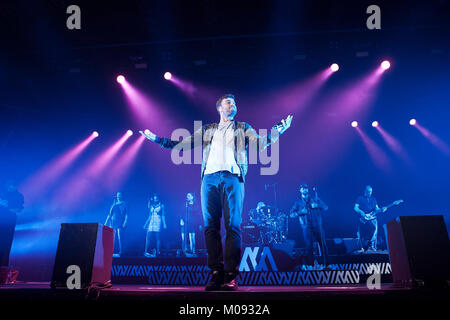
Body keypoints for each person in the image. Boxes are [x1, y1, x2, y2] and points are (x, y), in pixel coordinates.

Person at [140, 93, 292, 290]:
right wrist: (157, 139)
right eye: (229, 103)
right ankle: (215, 273)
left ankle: (231, 275)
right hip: (209, 180)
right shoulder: (208, 130)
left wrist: (278, 130)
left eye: (235, 103)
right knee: (210, 227)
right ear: (219, 108)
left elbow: (260, 144)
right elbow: (183, 145)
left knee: (233, 226)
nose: (233, 105)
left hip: (232, 178)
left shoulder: (243, 128)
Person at [290, 184, 329, 268]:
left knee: (323, 244)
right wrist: (300, 212)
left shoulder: (315, 199)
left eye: (306, 188)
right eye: (302, 188)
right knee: (309, 246)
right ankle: (310, 266)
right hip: (306, 227)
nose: (304, 189)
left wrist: (317, 205)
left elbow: (326, 207)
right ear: (300, 190)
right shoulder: (298, 203)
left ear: (308, 190)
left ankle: (327, 265)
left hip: (318, 225)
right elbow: (291, 214)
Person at [354, 185, 386, 252]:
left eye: (371, 192)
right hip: (363, 217)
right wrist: (360, 211)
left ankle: (371, 246)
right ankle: (361, 248)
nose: (370, 193)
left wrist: (381, 209)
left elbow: (377, 208)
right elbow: (355, 208)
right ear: (364, 191)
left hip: (372, 217)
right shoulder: (360, 198)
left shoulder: (373, 199)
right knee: (361, 232)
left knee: (375, 229)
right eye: (368, 192)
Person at [0, 180, 24, 266]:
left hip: (9, 223)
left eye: (11, 185)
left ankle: (3, 267)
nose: (9, 187)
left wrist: (6, 206)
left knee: (6, 245)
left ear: (15, 186)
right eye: (8, 185)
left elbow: (18, 209)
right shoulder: (3, 193)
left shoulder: (19, 196)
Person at [105, 192, 128, 257]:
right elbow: (109, 214)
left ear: (122, 196)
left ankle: (121, 251)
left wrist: (125, 221)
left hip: (120, 221)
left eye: (119, 195)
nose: (118, 196)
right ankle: (111, 251)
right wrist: (106, 222)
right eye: (117, 195)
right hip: (113, 221)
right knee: (112, 237)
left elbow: (126, 214)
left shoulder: (124, 203)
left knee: (119, 236)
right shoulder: (113, 204)